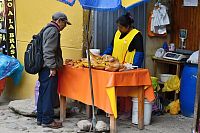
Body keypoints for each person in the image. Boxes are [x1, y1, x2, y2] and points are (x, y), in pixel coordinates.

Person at [103, 12, 144, 119]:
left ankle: (126, 111)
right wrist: (104, 56)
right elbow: (111, 46)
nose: (119, 28)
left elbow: (140, 53)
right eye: (118, 26)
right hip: (115, 67)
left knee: (126, 91)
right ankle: (117, 110)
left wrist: (134, 67)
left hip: (127, 68)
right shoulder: (117, 33)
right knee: (116, 90)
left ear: (128, 27)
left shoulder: (136, 35)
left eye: (121, 27)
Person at [37, 12, 71, 129]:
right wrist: (52, 67)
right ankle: (47, 120)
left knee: (43, 93)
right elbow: (48, 51)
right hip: (48, 68)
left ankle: (41, 118)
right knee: (48, 94)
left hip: (43, 67)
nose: (65, 26)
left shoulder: (46, 28)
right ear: (59, 21)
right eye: (65, 23)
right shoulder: (53, 31)